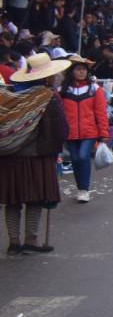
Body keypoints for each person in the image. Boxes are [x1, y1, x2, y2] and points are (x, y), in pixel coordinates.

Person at [2, 53, 68, 253]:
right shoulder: (47, 97)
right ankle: (32, 239)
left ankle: (13, 242)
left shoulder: (9, 96)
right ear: (48, 76)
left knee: (13, 200)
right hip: (38, 155)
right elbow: (59, 129)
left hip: (9, 155)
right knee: (36, 199)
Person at [60, 57, 109, 203]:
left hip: (89, 132)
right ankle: (80, 187)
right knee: (74, 159)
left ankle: (84, 189)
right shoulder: (62, 90)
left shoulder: (94, 89)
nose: (81, 72)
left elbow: (101, 112)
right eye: (78, 69)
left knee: (82, 157)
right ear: (72, 71)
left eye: (84, 69)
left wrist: (103, 133)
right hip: (70, 132)